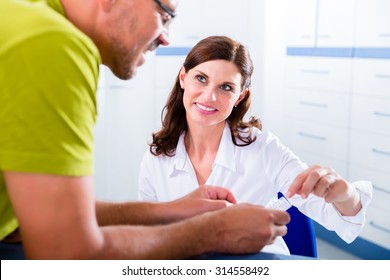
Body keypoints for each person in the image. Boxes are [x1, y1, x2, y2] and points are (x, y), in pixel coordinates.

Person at [0, 0, 292, 259]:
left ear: (240, 96)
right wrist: (215, 231)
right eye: (165, 14)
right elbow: (65, 252)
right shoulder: (52, 44)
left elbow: (39, 218)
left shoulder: (21, 16)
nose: (166, 38)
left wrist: (171, 210)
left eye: (226, 87)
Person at [138, 35, 373, 255]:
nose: (209, 96)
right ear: (183, 78)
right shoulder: (158, 156)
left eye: (226, 87)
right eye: (201, 78)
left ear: (240, 96)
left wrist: (344, 194)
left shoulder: (264, 149)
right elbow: (148, 232)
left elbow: (340, 215)